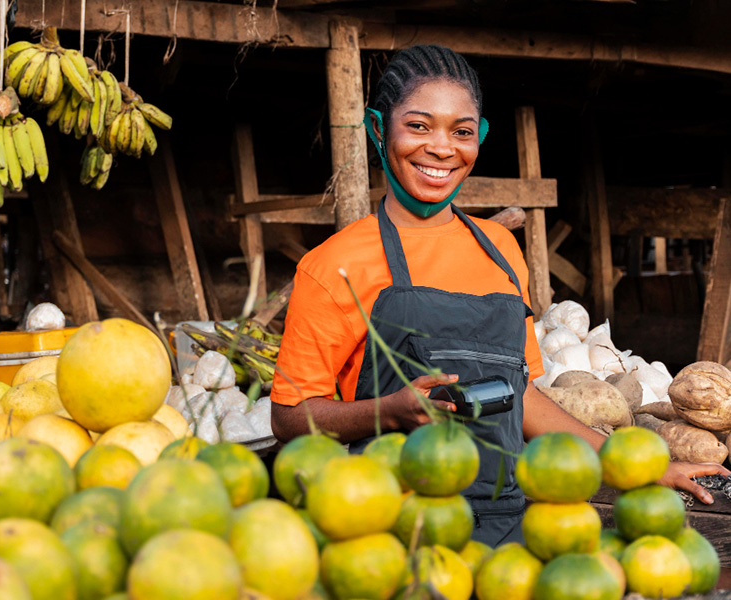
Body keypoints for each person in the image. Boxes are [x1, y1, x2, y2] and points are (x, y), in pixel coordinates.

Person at [269, 44, 729, 547]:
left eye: (461, 131)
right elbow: (289, 417)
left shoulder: (500, 250)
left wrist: (647, 467)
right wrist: (391, 410)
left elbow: (525, 397)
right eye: (419, 126)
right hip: (391, 533)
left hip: (505, 528)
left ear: (479, 139)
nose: (442, 148)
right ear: (378, 129)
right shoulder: (333, 263)